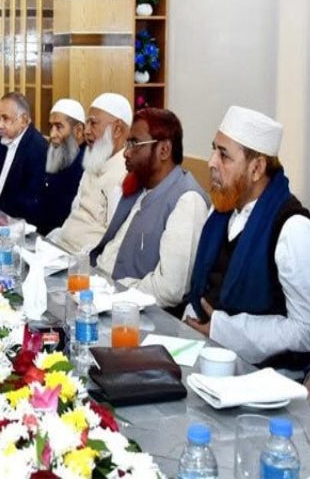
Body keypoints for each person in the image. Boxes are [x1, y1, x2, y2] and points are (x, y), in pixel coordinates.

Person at [184, 106, 310, 370]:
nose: (211, 162)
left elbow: (305, 330)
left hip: (267, 375)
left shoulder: (292, 228)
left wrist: (224, 329)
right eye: (213, 150)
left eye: (224, 155)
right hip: (204, 353)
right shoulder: (222, 209)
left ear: (257, 168)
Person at [90, 108, 209, 310]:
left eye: (134, 144)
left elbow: (169, 290)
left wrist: (115, 291)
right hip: (97, 290)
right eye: (127, 144)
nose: (126, 153)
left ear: (164, 150)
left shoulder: (187, 200)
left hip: (130, 311)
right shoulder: (139, 185)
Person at [47, 92, 131, 254]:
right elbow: (75, 210)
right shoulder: (94, 160)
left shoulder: (125, 174)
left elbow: (115, 244)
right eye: (87, 123)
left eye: (93, 123)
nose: (86, 131)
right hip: (61, 248)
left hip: (85, 262)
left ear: (117, 129)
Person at [0, 92, 47, 224]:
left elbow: (31, 203)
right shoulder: (3, 141)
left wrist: (0, 222)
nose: (0, 125)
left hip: (13, 225)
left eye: (5, 119)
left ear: (23, 120)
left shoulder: (37, 149)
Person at [35, 98, 87, 235]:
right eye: (51, 127)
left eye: (59, 127)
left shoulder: (86, 166)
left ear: (78, 131)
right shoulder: (56, 154)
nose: (52, 135)